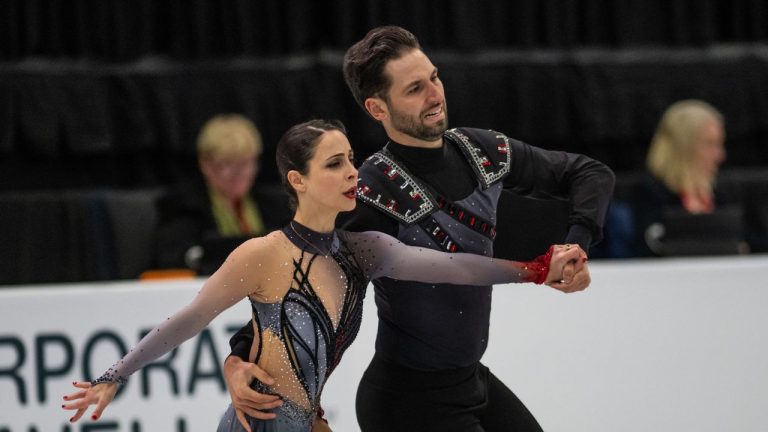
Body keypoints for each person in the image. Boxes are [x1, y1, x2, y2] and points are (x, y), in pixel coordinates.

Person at [61, 119, 588, 432]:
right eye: (334, 165)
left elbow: (455, 267)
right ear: (299, 180)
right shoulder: (261, 255)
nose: (353, 173)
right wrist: (114, 377)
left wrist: (534, 270)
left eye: (352, 160)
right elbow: (188, 319)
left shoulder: (363, 251)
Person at [224, 26, 614, 431]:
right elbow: (298, 292)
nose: (435, 95)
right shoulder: (371, 191)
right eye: (414, 89)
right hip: (406, 404)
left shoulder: (479, 151)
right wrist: (237, 360)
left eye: (434, 77)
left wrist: (576, 245)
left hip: (469, 384)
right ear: (378, 109)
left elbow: (589, 172)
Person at [155, 114, 291, 274]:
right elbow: (171, 259)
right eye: (227, 164)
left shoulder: (277, 204)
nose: (238, 173)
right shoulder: (182, 205)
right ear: (205, 164)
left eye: (245, 163)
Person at [634, 99, 744, 256]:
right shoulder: (652, 194)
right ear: (683, 147)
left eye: (719, 144)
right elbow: (650, 250)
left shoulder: (722, 193)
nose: (720, 155)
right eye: (710, 144)